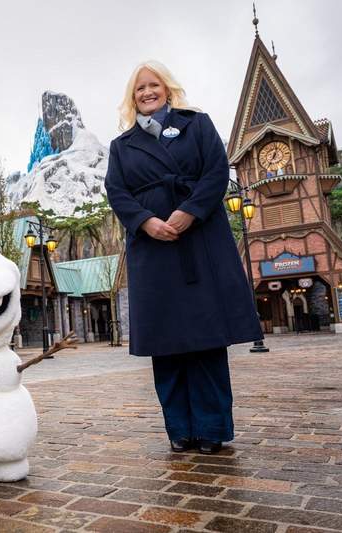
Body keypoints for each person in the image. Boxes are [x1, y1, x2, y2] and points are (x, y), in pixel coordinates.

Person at [105, 61, 263, 455]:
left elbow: (215, 172)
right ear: (132, 97)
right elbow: (117, 192)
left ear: (167, 89)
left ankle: (211, 429)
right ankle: (179, 429)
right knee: (168, 345)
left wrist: (188, 212)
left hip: (200, 242)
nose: (146, 92)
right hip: (153, 251)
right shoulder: (121, 147)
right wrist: (146, 222)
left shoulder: (197, 124)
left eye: (152, 85)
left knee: (207, 341)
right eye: (139, 88)